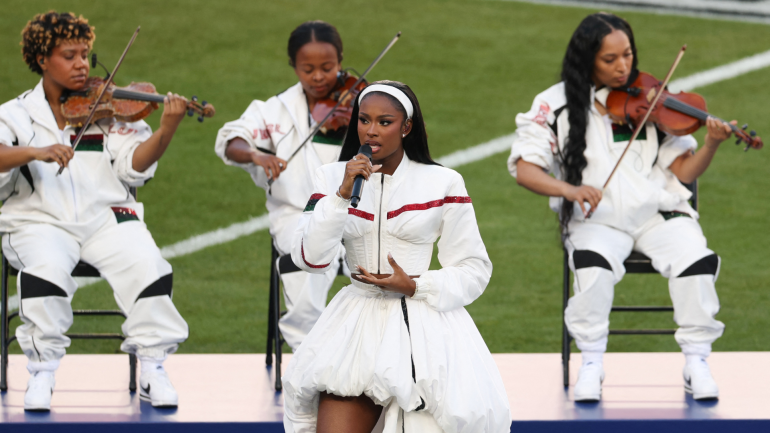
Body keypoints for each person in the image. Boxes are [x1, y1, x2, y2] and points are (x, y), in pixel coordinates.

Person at [509, 12, 734, 402]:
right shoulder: (553, 104)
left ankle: (697, 360)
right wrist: (568, 189)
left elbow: (682, 170)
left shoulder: (651, 97)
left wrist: (711, 143)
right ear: (586, 60)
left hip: (658, 214)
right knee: (592, 268)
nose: (623, 67)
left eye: (627, 55)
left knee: (696, 262)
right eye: (609, 59)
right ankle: (591, 362)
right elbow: (525, 169)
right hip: (596, 219)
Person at [283, 81, 511, 433]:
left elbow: (474, 269)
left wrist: (417, 285)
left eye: (385, 122)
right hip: (355, 329)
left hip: (425, 330)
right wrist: (341, 197)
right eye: (363, 119)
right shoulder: (330, 178)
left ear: (406, 127)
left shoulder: (444, 183)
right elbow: (309, 259)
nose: (371, 131)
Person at [0, 11, 189, 410]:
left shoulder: (111, 108)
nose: (82, 64)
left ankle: (153, 368)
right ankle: (42, 372)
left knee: (149, 266)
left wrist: (166, 130)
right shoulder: (14, 114)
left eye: (85, 54)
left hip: (109, 218)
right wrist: (36, 151)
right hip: (39, 221)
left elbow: (134, 167)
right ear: (41, 59)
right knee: (45, 271)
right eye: (69, 55)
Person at [214, 21, 351, 351]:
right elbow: (231, 141)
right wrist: (255, 155)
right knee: (315, 248)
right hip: (297, 217)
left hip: (359, 216)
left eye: (328, 68)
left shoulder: (359, 103)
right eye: (308, 69)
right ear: (294, 67)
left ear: (341, 61)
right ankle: (309, 352)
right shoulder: (273, 111)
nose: (318, 77)